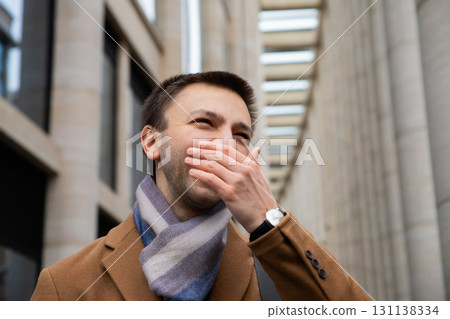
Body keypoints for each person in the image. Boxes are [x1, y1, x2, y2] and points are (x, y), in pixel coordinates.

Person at [31, 71, 372, 301]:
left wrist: (269, 221)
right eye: (204, 123)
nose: (226, 145)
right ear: (151, 143)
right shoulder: (66, 284)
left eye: (241, 135)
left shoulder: (278, 269)